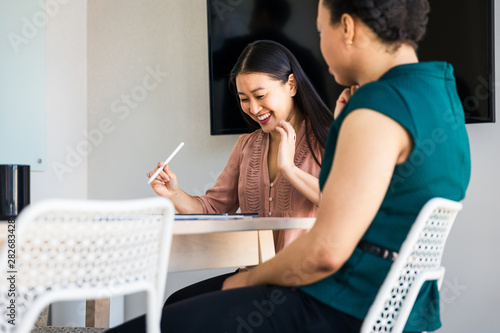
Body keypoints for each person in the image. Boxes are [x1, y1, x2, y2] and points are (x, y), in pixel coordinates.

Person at [109, 0, 471, 331]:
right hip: (391, 309)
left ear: (346, 27)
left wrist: (248, 280)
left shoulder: (377, 107)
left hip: (335, 303)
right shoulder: (440, 94)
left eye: (319, 30)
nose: (318, 45)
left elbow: (325, 252)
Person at [106, 40, 333, 332]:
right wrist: (174, 193)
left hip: (299, 283)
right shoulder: (246, 145)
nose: (253, 108)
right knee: (175, 303)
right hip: (252, 276)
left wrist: (288, 168)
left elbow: (344, 205)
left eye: (260, 95)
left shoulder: (328, 139)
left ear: (291, 85)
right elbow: (214, 207)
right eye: (243, 98)